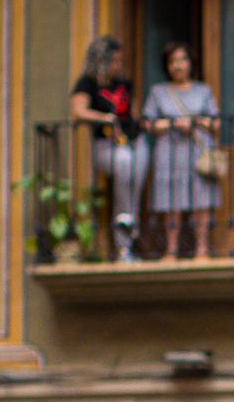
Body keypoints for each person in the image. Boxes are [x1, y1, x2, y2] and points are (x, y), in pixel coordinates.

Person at [71, 35, 147, 261]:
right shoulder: (86, 84)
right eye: (114, 61)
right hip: (106, 144)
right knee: (124, 168)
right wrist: (105, 118)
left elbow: (133, 113)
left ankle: (130, 239)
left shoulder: (124, 83)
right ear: (100, 61)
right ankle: (123, 243)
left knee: (134, 183)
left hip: (133, 140)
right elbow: (78, 112)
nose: (118, 66)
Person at [143, 42, 221, 260]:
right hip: (169, 151)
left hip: (197, 151)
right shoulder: (158, 92)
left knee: (201, 197)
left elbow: (216, 123)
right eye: (173, 61)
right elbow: (148, 123)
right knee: (170, 199)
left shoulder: (203, 90)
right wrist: (173, 124)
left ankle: (202, 249)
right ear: (167, 66)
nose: (178, 66)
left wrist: (195, 121)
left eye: (182, 60)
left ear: (190, 63)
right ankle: (171, 249)